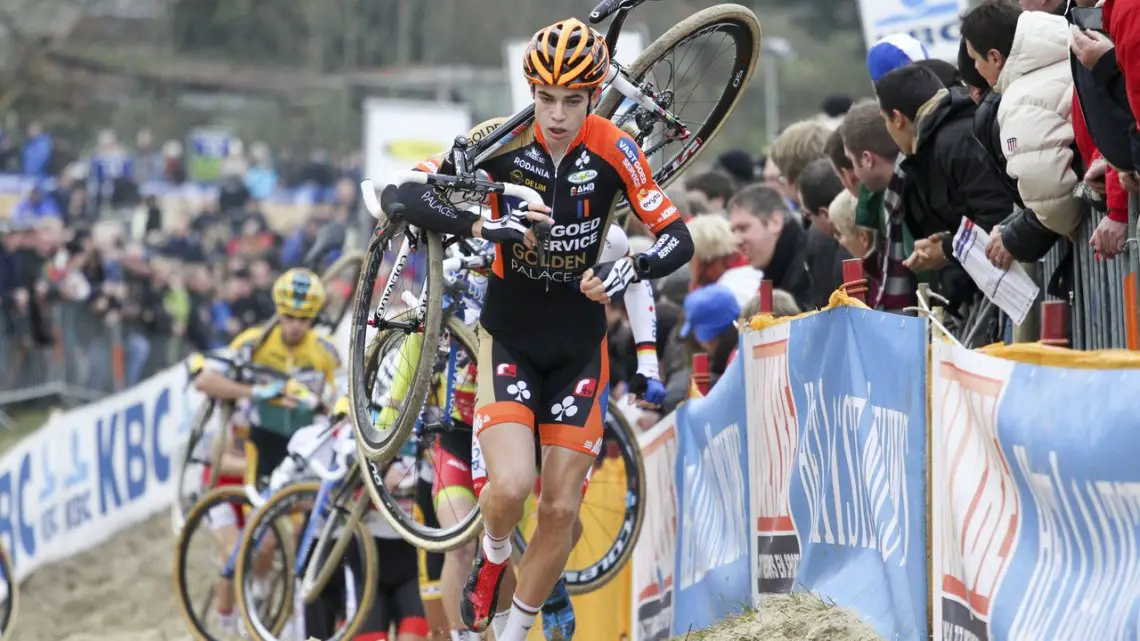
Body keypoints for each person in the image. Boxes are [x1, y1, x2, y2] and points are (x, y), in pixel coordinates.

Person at [381, 18, 693, 641]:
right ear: (531, 91)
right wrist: (480, 227)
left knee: (559, 510)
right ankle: (493, 558)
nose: (555, 114)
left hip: (580, 347)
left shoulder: (614, 147)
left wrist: (636, 264)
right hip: (510, 337)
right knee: (512, 486)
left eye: (571, 101)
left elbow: (677, 236)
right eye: (545, 98)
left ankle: (518, 629)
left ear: (593, 94)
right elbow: (400, 194)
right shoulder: (497, 140)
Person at [418, 223, 661, 641]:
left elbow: (635, 276)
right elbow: (411, 337)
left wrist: (648, 361)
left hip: (567, 378)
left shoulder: (601, 228)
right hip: (490, 392)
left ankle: (549, 587)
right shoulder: (477, 244)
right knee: (498, 508)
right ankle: (491, 608)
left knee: (563, 517)